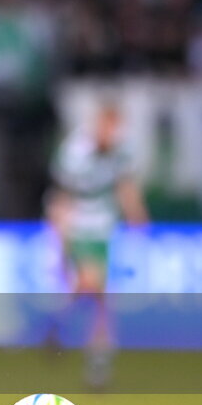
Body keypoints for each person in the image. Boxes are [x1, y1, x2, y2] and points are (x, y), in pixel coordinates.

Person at [45, 101, 148, 389]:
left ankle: (88, 350)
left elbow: (125, 187)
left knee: (100, 296)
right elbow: (61, 197)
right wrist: (60, 238)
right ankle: (95, 360)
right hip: (78, 226)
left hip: (105, 229)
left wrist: (138, 216)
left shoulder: (122, 150)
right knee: (94, 284)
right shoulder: (75, 151)